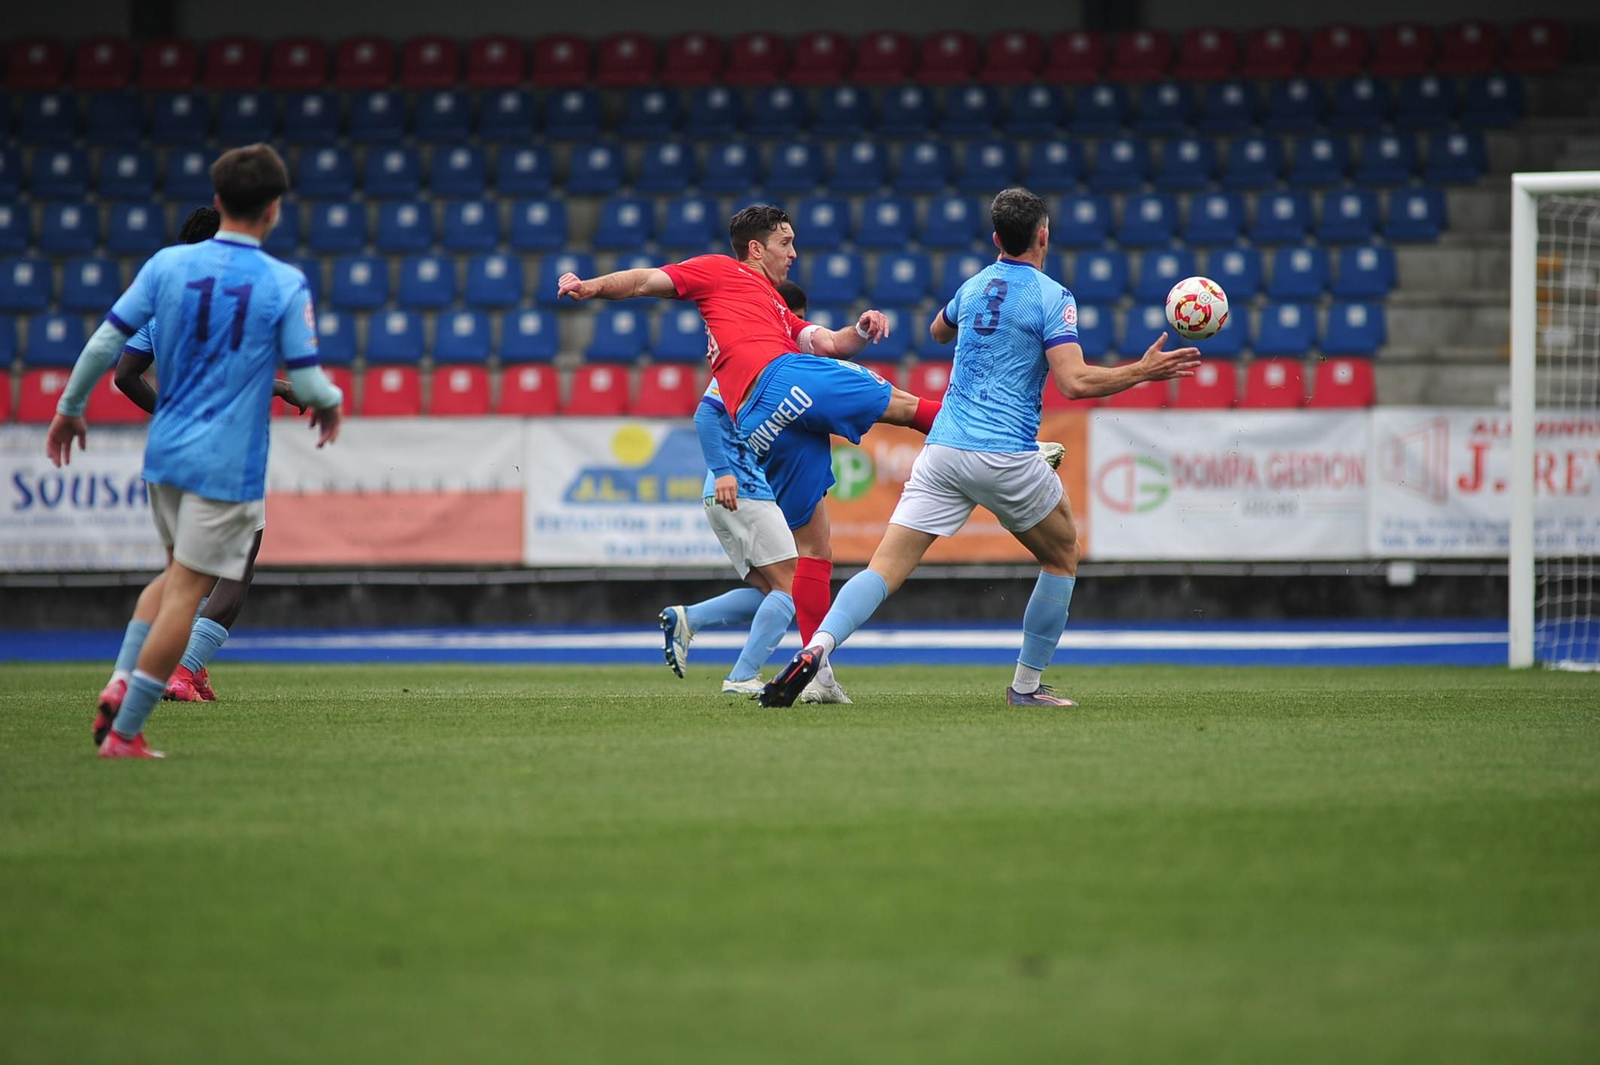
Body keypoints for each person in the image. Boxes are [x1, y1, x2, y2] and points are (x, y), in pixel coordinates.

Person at [758, 188, 1202, 708]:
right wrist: (1143, 372)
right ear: (1043, 235)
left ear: (996, 240)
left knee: (883, 569)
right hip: (1005, 452)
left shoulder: (972, 286)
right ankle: (1027, 687)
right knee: (1061, 557)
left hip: (943, 448)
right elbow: (1076, 383)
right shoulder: (1052, 297)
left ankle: (817, 650)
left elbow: (937, 330)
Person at [559, 206, 955, 705]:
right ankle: (1004, 444)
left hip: (759, 422)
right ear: (755, 248)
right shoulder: (719, 271)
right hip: (777, 381)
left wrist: (859, 329)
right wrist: (591, 286)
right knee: (900, 404)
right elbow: (643, 280)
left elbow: (827, 342)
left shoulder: (774, 308)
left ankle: (818, 675)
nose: (793, 253)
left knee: (814, 549)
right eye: (785, 243)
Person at [46, 143, 346, 758]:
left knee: (175, 578)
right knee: (198, 588)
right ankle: (128, 719)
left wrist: (68, 407)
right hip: (227, 461)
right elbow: (314, 381)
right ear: (273, 210)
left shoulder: (165, 268)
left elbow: (108, 346)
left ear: (216, 202)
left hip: (167, 455)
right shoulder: (281, 282)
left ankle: (120, 683)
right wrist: (326, 401)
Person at [105, 205, 307, 705]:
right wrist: (283, 386)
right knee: (236, 569)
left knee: (185, 572)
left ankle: (150, 676)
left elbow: (124, 375)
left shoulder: (162, 304)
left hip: (174, 453)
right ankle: (180, 670)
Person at [659, 280, 845, 701]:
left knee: (772, 590)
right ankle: (742, 675)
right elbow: (706, 415)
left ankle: (690, 619)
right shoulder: (757, 362)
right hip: (742, 489)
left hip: (733, 493)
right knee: (793, 588)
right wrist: (724, 470)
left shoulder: (770, 362)